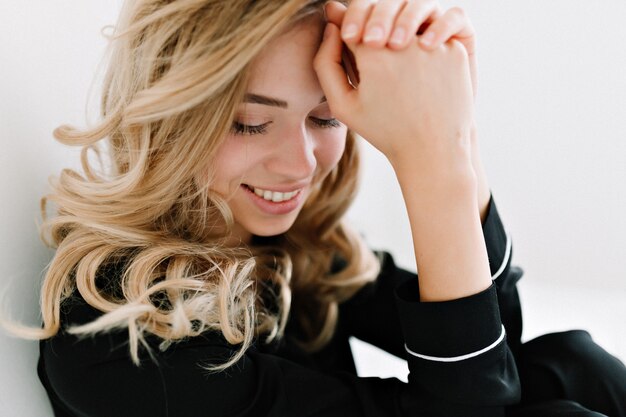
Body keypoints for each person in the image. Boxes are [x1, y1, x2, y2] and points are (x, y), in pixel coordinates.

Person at [18, 0, 625, 415]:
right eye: (251, 123)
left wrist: (453, 136)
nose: (301, 164)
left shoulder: (283, 246)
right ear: (166, 111)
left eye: (324, 117)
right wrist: (431, 171)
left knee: (572, 363)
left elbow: (495, 344)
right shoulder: (124, 344)